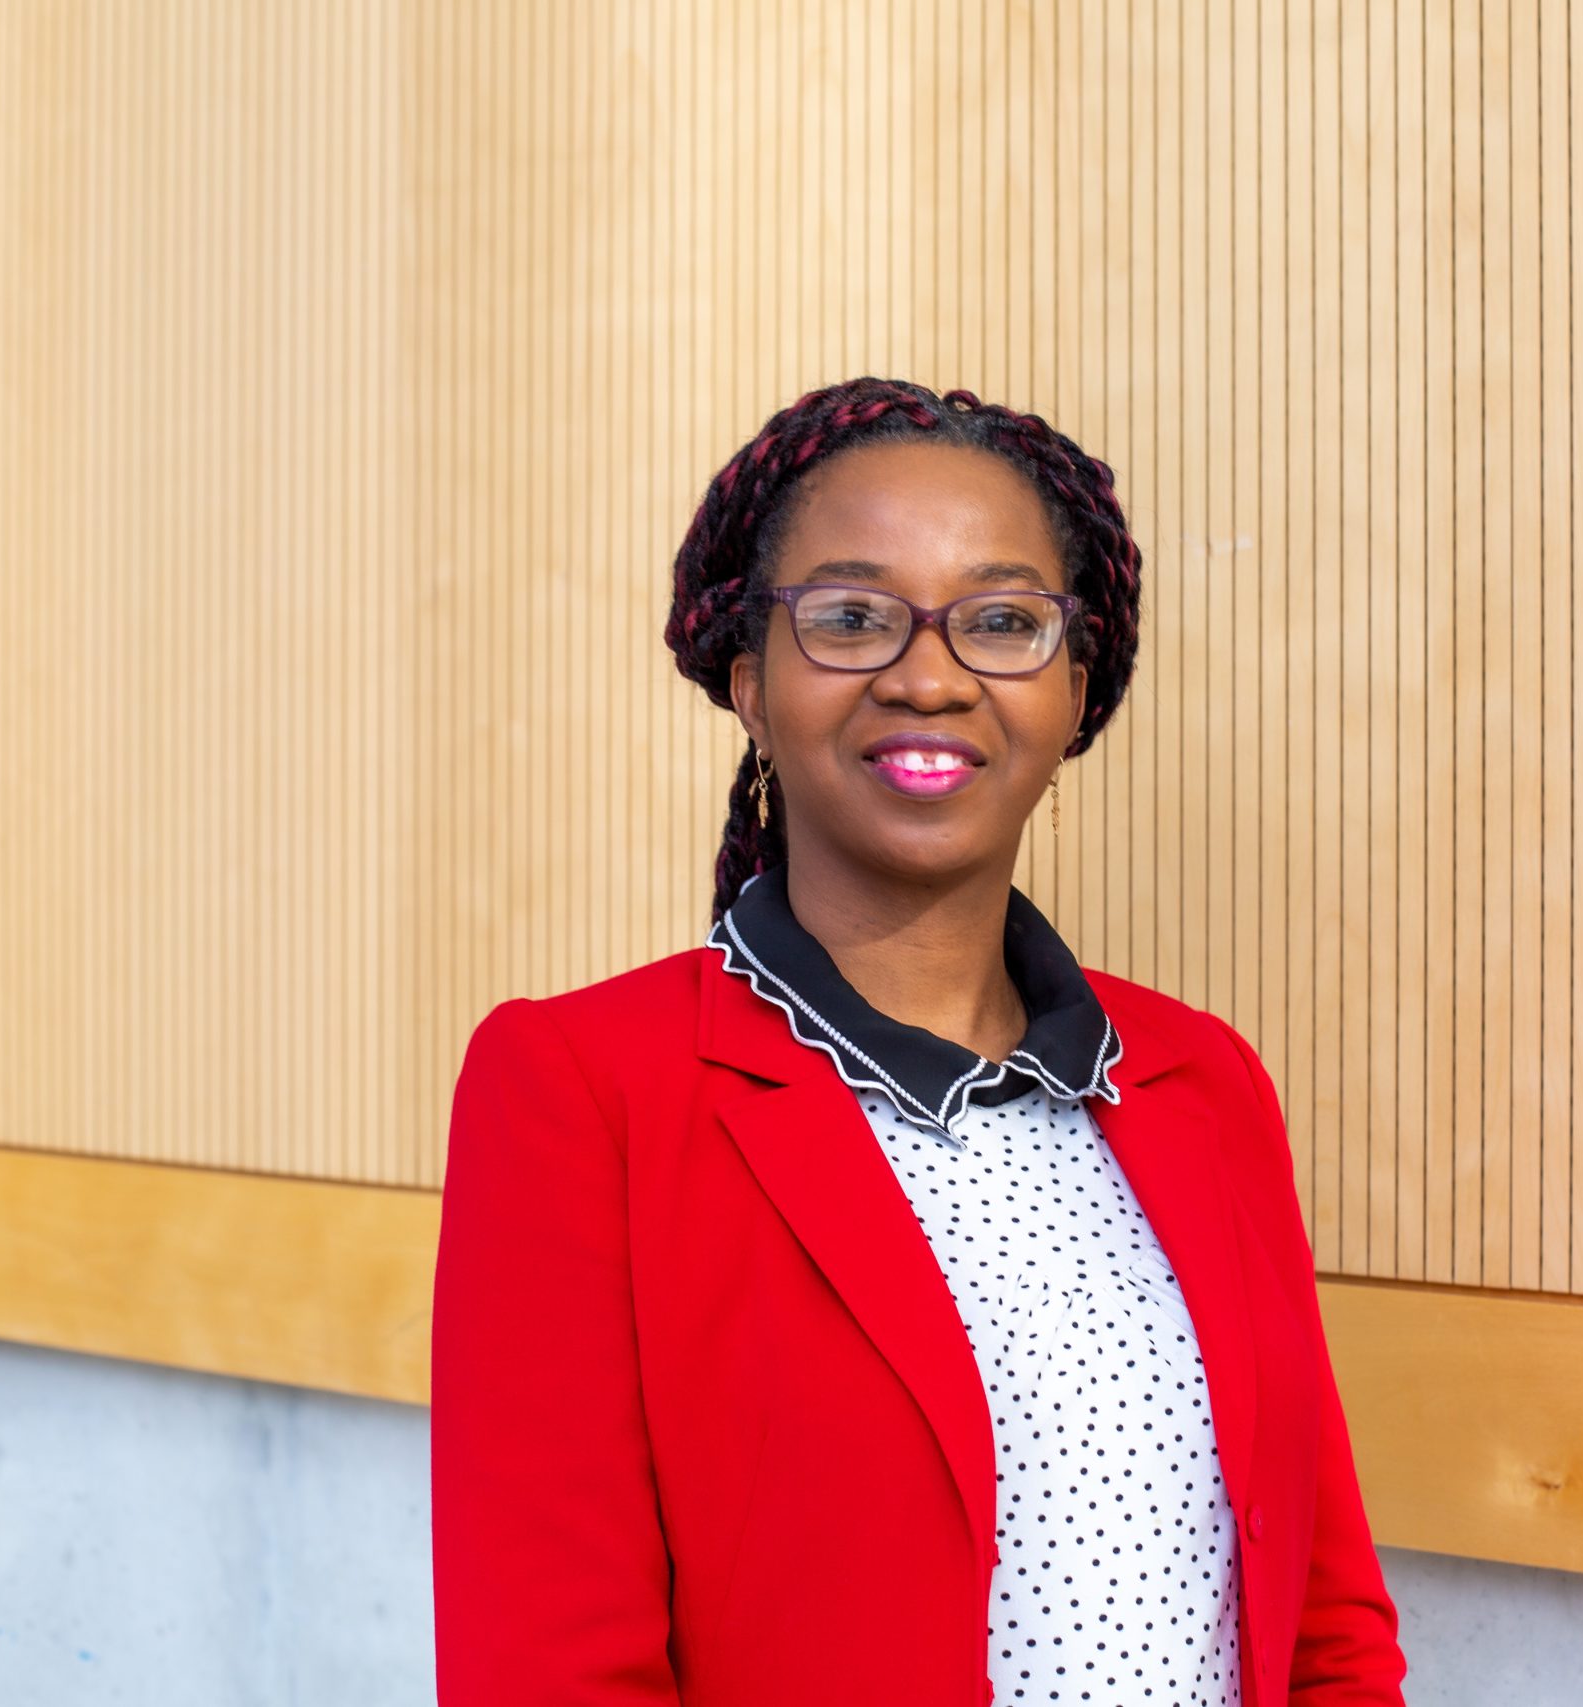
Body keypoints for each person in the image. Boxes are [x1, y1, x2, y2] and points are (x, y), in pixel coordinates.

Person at [431, 376, 1406, 1706]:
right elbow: (547, 1668)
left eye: (1003, 621)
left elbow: (1325, 1624)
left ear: (1078, 692)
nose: (930, 673)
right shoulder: (587, 1088)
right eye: (851, 618)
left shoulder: (1201, 1083)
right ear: (751, 686)